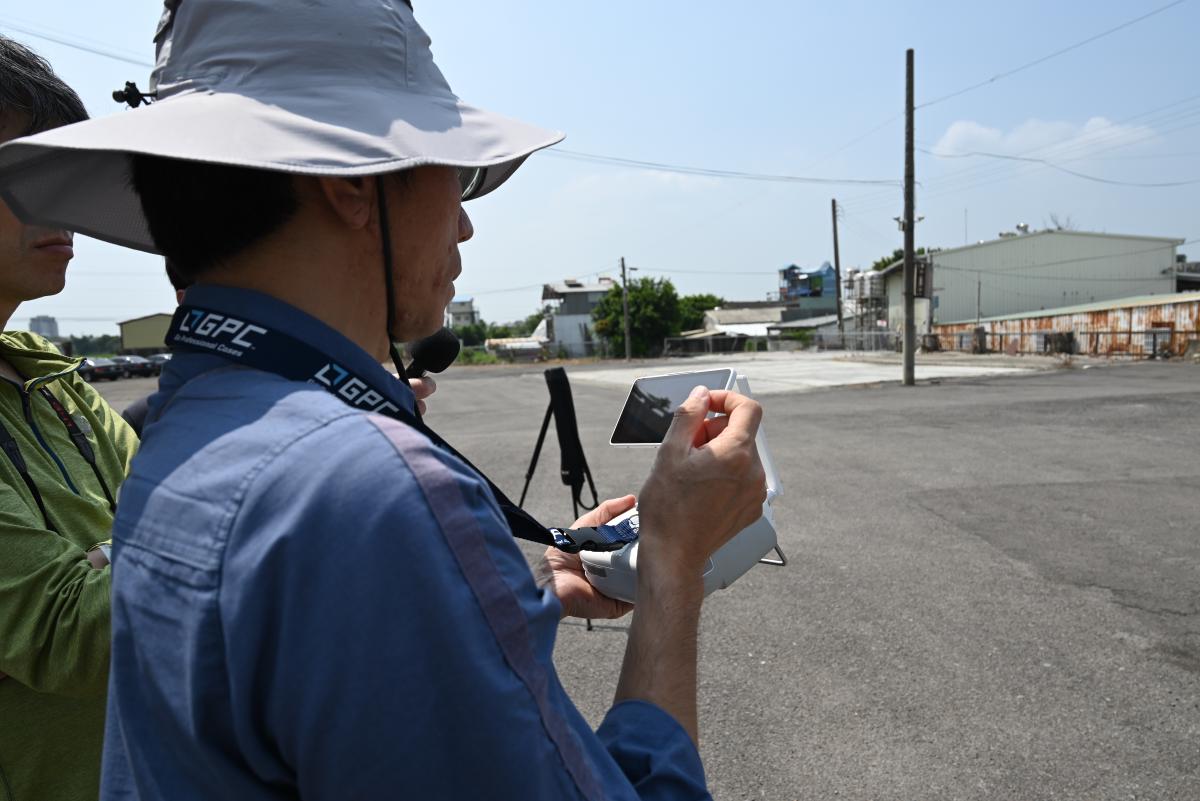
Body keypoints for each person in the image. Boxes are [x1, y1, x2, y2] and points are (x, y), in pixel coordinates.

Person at [0, 3, 768, 799]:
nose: (464, 224)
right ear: (351, 181)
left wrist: (480, 602)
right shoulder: (369, 491)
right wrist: (672, 562)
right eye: (456, 172)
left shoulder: (188, 421)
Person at [0, 36, 138, 801]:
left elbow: (171, 518)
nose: (64, 200)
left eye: (66, 169)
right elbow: (76, 633)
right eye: (25, 171)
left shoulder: (53, 377)